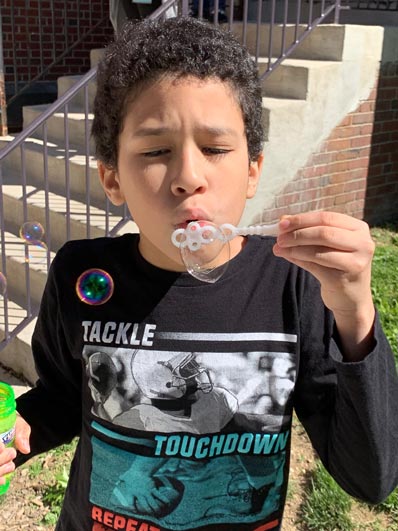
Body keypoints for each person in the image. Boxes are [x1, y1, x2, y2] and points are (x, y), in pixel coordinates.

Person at [1, 16, 397, 531]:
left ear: (253, 171)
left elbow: (371, 477)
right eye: (155, 151)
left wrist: (354, 313)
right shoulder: (82, 271)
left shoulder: (291, 283)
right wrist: (17, 431)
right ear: (113, 178)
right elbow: (63, 396)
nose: (189, 176)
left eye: (214, 148)